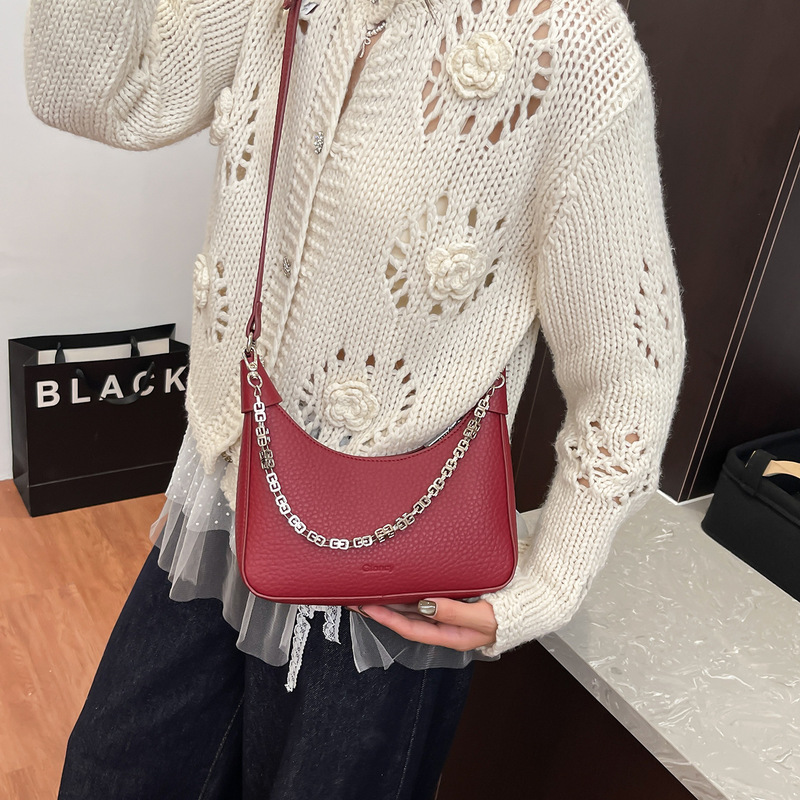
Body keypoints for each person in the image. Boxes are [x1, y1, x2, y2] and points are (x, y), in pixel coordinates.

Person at [24, 0, 687, 796]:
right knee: (109, 775)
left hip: (393, 564)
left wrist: (550, 583)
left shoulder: (567, 39)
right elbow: (94, 94)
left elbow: (630, 363)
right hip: (226, 503)